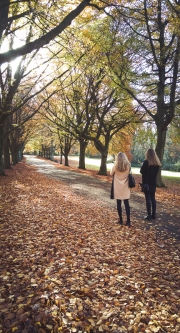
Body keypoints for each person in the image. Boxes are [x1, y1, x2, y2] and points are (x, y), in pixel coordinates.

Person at [110, 152, 131, 227]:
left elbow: (111, 173)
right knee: (126, 204)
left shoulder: (115, 166)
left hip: (117, 187)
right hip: (125, 187)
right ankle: (128, 221)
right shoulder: (128, 166)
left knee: (118, 203)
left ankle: (121, 220)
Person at [140, 148, 161, 220]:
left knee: (148, 198)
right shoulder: (157, 164)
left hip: (146, 182)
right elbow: (156, 173)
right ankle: (154, 214)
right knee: (153, 198)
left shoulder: (146, 162)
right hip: (153, 182)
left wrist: (142, 165)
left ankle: (149, 215)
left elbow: (142, 171)